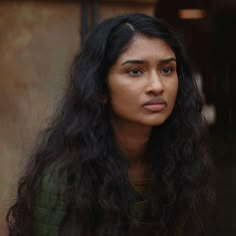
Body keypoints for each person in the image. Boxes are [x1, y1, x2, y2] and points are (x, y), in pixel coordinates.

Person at [6, 13, 214, 236]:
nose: (157, 86)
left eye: (166, 70)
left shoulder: (180, 162)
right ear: (101, 89)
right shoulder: (67, 178)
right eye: (135, 71)